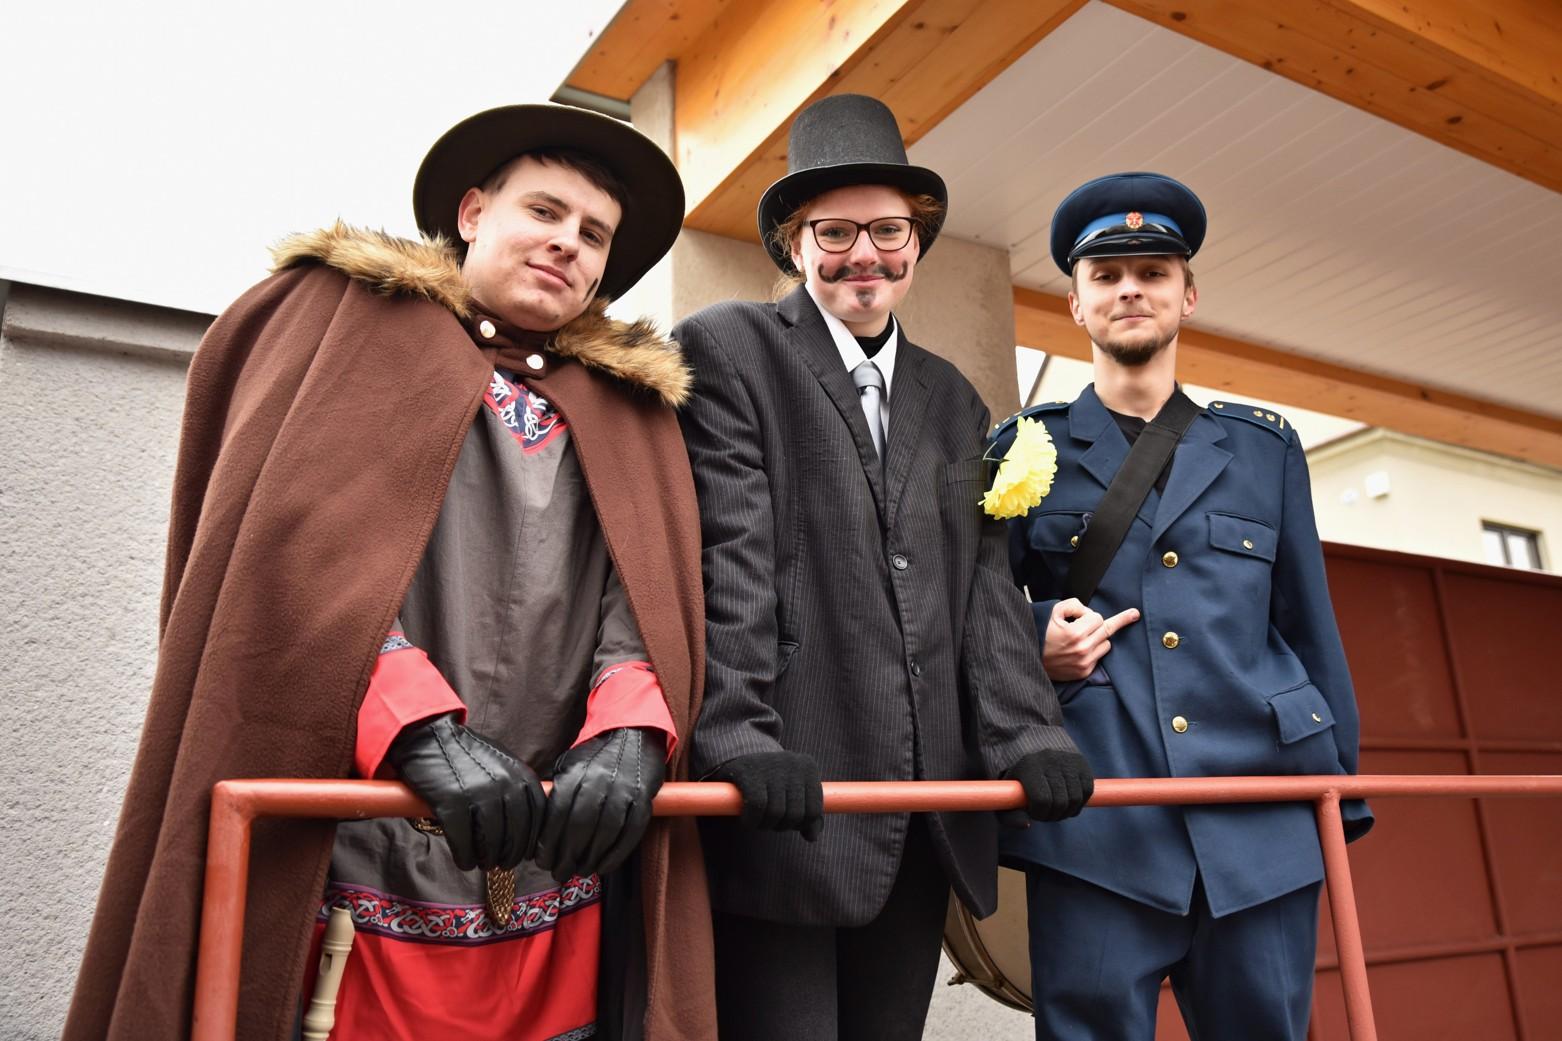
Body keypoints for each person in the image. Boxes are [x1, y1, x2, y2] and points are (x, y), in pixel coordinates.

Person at [64, 104, 714, 1041]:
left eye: (593, 234)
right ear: (473, 212)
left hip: (551, 871)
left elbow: (648, 605)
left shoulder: (630, 410)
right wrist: (416, 729)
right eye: (544, 211)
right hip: (358, 842)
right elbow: (294, 563)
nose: (567, 244)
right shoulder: (346, 328)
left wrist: (629, 734)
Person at [673, 93, 1092, 1041]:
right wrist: (736, 734)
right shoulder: (731, 349)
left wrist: (1028, 732)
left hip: (922, 811)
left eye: (889, 230)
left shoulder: (956, 399)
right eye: (835, 231)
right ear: (794, 243)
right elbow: (729, 556)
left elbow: (984, 587)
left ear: (917, 241)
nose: (864, 253)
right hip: (788, 797)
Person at [990, 171, 1373, 1041]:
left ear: (1187, 295)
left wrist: (1338, 796)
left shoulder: (1264, 450)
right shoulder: (1023, 448)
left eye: (1153, 272)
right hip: (1097, 821)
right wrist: (1032, 637)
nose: (1130, 288)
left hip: (1260, 818)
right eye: (1106, 275)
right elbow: (970, 615)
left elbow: (1308, 624)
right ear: (1077, 305)